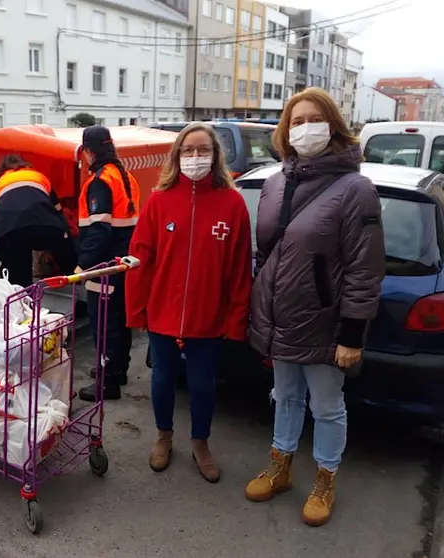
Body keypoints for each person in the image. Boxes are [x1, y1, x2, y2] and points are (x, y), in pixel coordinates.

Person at [245, 87, 386, 526]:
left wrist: (351, 333)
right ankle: (280, 467)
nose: (305, 128)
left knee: (327, 406)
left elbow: (365, 268)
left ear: (334, 126)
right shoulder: (274, 183)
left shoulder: (356, 189)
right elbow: (267, 255)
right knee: (285, 396)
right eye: (296, 121)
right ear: (285, 132)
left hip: (325, 322)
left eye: (314, 119)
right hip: (281, 318)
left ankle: (325, 479)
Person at [125, 123, 252, 482]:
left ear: (215, 156)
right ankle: (163, 435)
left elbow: (241, 268)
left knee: (202, 384)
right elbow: (138, 260)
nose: (195, 157)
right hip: (163, 313)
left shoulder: (233, 203)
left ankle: (200, 441)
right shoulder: (159, 201)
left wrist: (236, 318)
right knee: (163, 379)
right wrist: (136, 310)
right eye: (188, 150)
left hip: (209, 317)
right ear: (177, 155)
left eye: (202, 150)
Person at [76, 126, 140, 403]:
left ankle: (108, 382)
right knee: (118, 320)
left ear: (88, 152)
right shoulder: (125, 176)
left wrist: (82, 266)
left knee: (103, 325)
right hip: (122, 262)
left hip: (103, 265)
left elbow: (99, 229)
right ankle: (117, 370)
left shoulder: (100, 181)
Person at [0, 154, 77, 287]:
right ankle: (74, 280)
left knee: (18, 283)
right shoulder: (38, 177)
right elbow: (58, 210)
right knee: (66, 251)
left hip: (11, 232)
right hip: (45, 226)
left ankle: (23, 302)